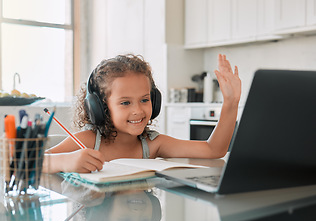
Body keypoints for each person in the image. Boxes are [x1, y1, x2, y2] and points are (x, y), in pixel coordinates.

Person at [43, 53, 241, 173]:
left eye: (145, 100)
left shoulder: (153, 144)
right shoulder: (87, 141)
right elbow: (22, 164)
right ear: (100, 108)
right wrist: (65, 161)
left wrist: (231, 103)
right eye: (125, 102)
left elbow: (213, 150)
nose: (138, 110)